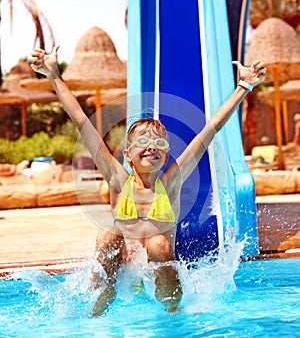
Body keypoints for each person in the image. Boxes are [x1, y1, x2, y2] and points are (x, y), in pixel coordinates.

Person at [30, 46, 266, 315]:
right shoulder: (118, 179)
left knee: (157, 243)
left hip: (159, 281)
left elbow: (209, 130)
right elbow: (83, 123)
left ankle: (172, 316)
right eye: (142, 141)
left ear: (166, 154)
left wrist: (244, 86)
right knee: (108, 235)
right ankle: (99, 310)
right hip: (124, 276)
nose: (150, 147)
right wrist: (54, 76)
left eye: (158, 143)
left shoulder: (170, 181)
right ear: (128, 155)